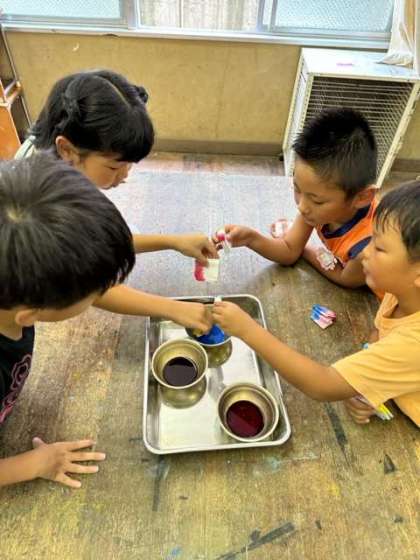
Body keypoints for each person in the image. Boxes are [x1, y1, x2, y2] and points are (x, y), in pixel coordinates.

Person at [16, 69, 215, 330]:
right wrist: (171, 308)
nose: (124, 176)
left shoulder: (58, 164)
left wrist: (173, 242)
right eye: (114, 167)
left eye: (129, 165)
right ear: (67, 149)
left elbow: (96, 243)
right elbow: (86, 283)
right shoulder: (40, 205)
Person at [212, 180, 420, 428]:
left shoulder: (413, 343)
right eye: (371, 239)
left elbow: (323, 384)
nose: (365, 252)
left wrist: (246, 329)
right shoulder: (402, 292)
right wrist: (366, 380)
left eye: (380, 248)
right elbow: (380, 332)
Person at [0, 153, 136, 487]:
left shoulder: (13, 295)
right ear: (31, 313)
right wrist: (35, 463)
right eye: (93, 293)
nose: (100, 295)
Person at [216, 108, 379, 291]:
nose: (301, 207)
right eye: (297, 189)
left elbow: (345, 277)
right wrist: (250, 238)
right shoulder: (315, 206)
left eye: (317, 201)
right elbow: (289, 250)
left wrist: (306, 249)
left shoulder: (367, 247)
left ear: (362, 197)